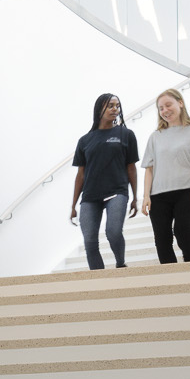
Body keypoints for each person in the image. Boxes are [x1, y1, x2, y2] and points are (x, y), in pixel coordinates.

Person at [141, 88, 190, 264]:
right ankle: (170, 273)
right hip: (158, 195)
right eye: (161, 108)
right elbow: (149, 169)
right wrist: (146, 196)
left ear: (180, 103)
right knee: (162, 239)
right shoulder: (155, 137)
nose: (165, 110)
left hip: (187, 191)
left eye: (168, 105)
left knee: (182, 230)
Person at [69, 92, 141, 269]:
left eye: (117, 106)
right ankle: (99, 278)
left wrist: (135, 197)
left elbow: (131, 168)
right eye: (110, 106)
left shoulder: (126, 134)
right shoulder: (84, 140)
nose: (115, 109)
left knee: (113, 232)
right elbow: (80, 175)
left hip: (117, 192)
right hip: (90, 196)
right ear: (99, 109)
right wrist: (73, 205)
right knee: (89, 242)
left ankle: (120, 264)